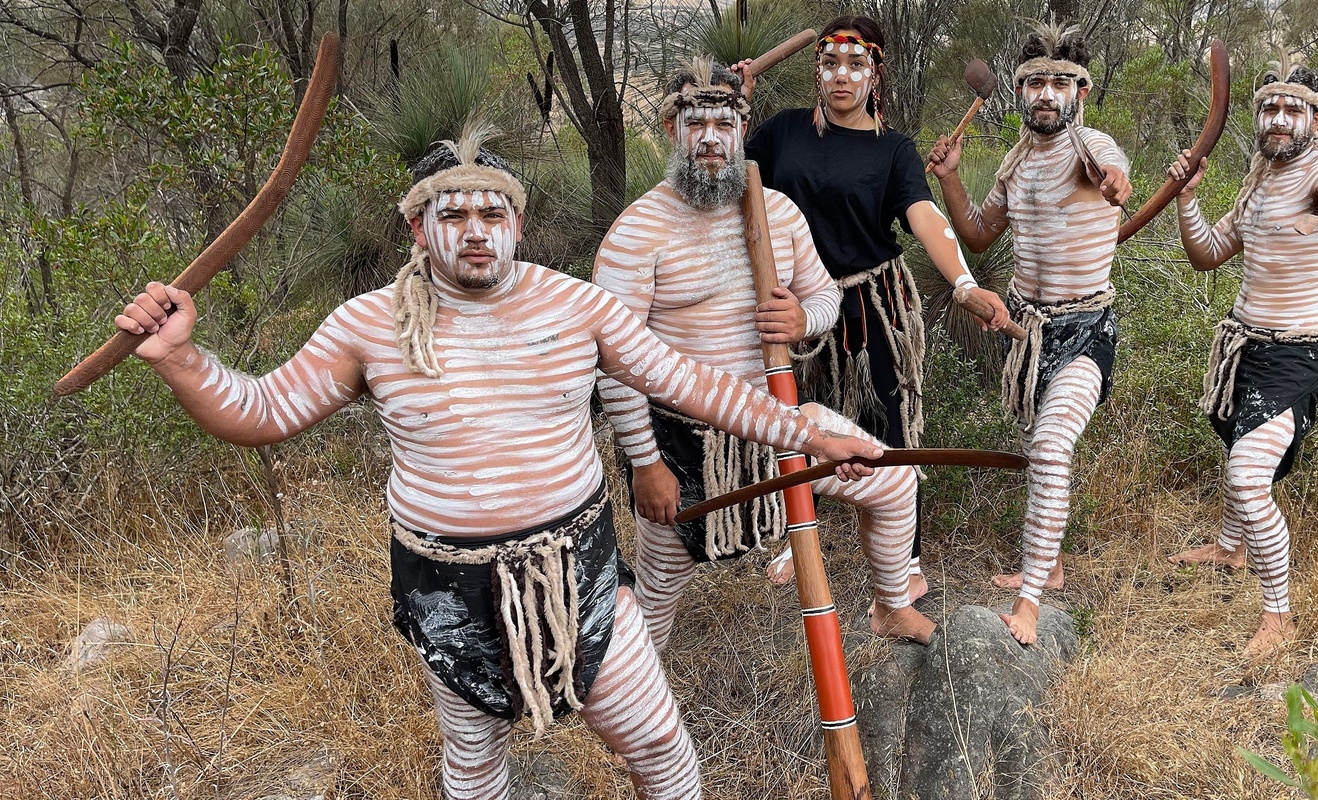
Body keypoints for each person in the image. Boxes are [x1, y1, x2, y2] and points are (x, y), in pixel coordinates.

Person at [110, 123, 884, 799]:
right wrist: (181, 361)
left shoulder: (576, 305)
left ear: (518, 223)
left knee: (658, 745)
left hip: (581, 573)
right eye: (452, 214)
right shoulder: (370, 325)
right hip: (450, 588)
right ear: (419, 230)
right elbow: (263, 412)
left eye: (491, 213)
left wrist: (811, 436)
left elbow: (689, 383)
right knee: (475, 765)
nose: (474, 230)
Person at [595, 58, 937, 647]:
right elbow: (616, 364)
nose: (709, 139)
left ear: (740, 131)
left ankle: (888, 604)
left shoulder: (777, 212)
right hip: (684, 441)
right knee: (662, 582)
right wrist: (647, 463)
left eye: (723, 126)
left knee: (892, 481)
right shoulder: (637, 230)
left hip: (779, 419)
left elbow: (827, 298)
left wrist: (804, 317)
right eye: (694, 123)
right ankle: (633, 690)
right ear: (672, 130)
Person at [734, 15, 1011, 592]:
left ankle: (903, 559)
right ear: (817, 71)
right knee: (796, 420)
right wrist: (734, 108)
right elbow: (726, 175)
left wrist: (963, 284)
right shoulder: (782, 133)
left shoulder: (894, 152)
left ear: (875, 76)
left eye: (855, 65)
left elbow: (925, 219)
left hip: (872, 305)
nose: (841, 76)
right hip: (798, 306)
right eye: (830, 63)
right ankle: (800, 539)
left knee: (888, 417)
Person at [925, 22, 1131, 644]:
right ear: (1019, 93)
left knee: (1049, 448)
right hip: (1025, 331)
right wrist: (951, 178)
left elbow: (1117, 182)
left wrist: (1116, 183)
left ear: (1082, 93)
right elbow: (982, 234)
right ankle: (1054, 565)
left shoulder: (1095, 150)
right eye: (1035, 83)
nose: (1046, 94)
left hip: (1086, 328)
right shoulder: (1016, 164)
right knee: (1038, 449)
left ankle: (1032, 601)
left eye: (1059, 84)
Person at [1164, 59, 1318, 655]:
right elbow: (1208, 253)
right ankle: (1232, 549)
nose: (1279, 120)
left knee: (1248, 473)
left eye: (1293, 109)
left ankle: (1279, 616)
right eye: (1268, 108)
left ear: (1316, 117)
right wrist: (1187, 200)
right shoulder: (1257, 182)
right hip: (1244, 344)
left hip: (1299, 352)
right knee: (1237, 443)